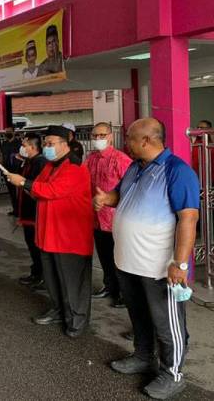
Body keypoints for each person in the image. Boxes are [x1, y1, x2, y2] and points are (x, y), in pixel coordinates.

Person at [94, 118, 199, 400]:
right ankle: (143, 356)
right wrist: (107, 199)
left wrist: (181, 263)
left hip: (158, 267)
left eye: (129, 137)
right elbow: (122, 197)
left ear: (146, 141)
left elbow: (188, 218)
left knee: (167, 323)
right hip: (127, 262)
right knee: (138, 315)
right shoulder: (135, 167)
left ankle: (172, 373)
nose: (124, 142)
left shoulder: (177, 170)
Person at [5, 125, 94, 338]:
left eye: (50, 143)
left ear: (65, 144)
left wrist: (24, 183)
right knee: (53, 278)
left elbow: (52, 191)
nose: (47, 147)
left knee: (72, 282)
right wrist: (28, 185)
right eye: (46, 143)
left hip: (69, 237)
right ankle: (58, 310)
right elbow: (39, 187)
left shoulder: (74, 166)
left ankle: (77, 320)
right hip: (49, 234)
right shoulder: (51, 166)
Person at [85, 122, 132, 308]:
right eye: (95, 136)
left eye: (102, 135)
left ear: (110, 136)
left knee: (120, 259)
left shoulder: (121, 159)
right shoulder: (91, 159)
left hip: (115, 219)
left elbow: (129, 189)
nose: (98, 139)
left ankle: (124, 293)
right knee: (104, 256)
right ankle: (109, 286)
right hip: (96, 218)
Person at [16, 133, 47, 289]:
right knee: (31, 245)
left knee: (37, 247)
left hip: (35, 213)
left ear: (33, 147)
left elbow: (36, 187)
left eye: (24, 145)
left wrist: (22, 182)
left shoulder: (40, 163)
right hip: (27, 211)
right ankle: (36, 272)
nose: (22, 148)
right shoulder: (29, 162)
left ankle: (42, 276)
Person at [0, 126, 23, 216]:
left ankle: (20, 210)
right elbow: (2, 155)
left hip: (17, 170)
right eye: (6, 131)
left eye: (9, 131)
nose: (7, 133)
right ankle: (15, 209)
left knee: (18, 191)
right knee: (11, 191)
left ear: (13, 132)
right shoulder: (4, 143)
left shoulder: (19, 143)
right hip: (6, 170)